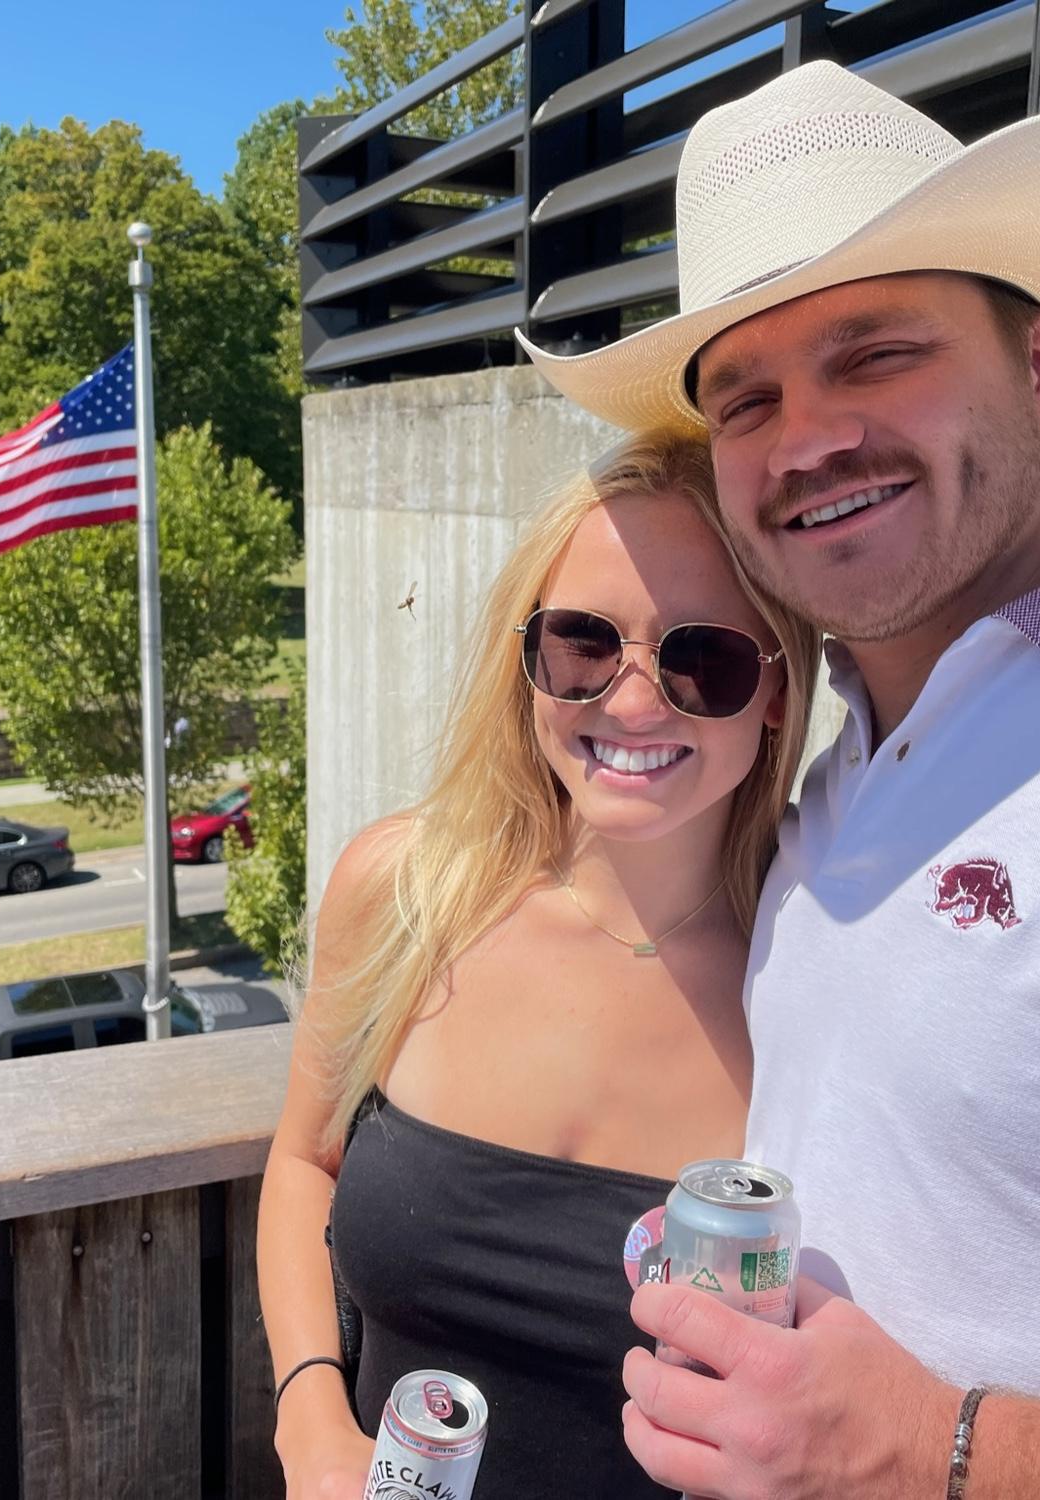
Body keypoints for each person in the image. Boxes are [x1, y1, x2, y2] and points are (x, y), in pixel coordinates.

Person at [522, 59, 1040, 1500]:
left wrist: (943, 1449)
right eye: (743, 399)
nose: (807, 439)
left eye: (878, 354)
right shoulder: (835, 790)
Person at [257, 431, 821, 1498]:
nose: (635, 701)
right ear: (527, 660)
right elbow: (303, 1165)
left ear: (779, 692)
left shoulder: (820, 971)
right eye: (584, 644)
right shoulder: (406, 891)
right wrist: (310, 1425)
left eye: (704, 658)